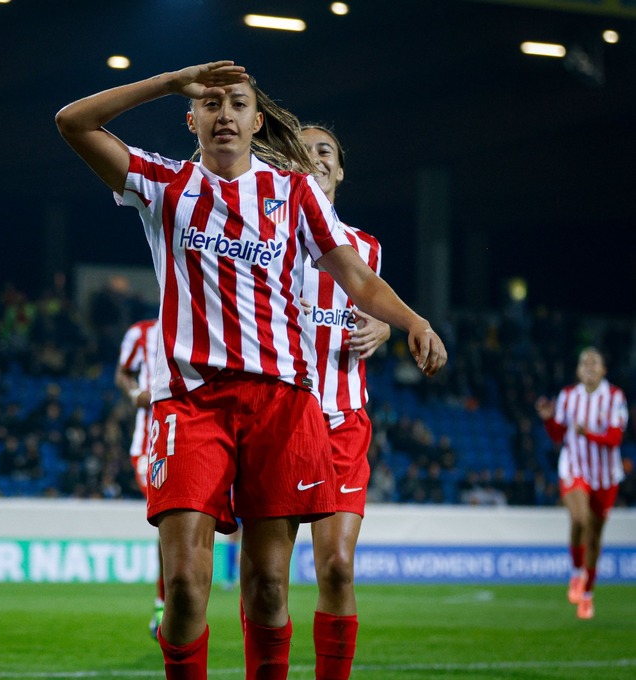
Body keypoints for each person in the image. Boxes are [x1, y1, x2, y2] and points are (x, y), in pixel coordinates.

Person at [56, 60, 447, 679]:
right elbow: (73, 122)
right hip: (191, 403)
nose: (224, 115)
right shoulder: (167, 185)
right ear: (192, 118)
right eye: (210, 105)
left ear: (256, 120)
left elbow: (354, 275)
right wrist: (165, 81)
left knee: (267, 585)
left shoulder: (292, 194)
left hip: (282, 403)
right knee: (185, 586)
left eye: (237, 104)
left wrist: (413, 321)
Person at [299, 124, 391, 679]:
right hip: (282, 419)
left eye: (325, 151)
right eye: (302, 151)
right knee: (267, 576)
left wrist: (381, 327)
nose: (314, 159)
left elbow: (374, 306)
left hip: (343, 422)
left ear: (339, 170)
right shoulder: (271, 233)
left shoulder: (367, 248)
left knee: (336, 565)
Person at [534, 347, 628, 620]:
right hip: (574, 468)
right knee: (579, 520)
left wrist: (588, 433)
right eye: (583, 361)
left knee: (595, 538)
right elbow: (557, 435)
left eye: (594, 362)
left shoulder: (614, 397)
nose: (588, 365)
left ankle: (587, 594)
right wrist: (549, 418)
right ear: (578, 371)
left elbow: (614, 439)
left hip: (605, 477)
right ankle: (576, 573)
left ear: (603, 370)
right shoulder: (568, 396)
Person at [115, 317, 165, 638]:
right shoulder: (141, 332)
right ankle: (164, 602)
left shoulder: (205, 319)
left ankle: (174, 599)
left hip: (197, 437)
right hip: (149, 444)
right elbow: (122, 372)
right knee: (167, 518)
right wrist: (135, 395)